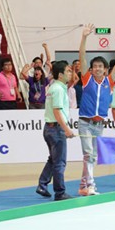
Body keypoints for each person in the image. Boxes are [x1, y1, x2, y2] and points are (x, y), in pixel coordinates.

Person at [77, 24, 115, 196]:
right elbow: (82, 57)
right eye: (95, 66)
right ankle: (90, 185)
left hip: (99, 125)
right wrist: (84, 37)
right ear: (91, 69)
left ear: (105, 69)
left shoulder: (109, 82)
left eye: (100, 66)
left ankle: (83, 186)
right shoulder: (86, 79)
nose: (97, 68)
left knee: (92, 156)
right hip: (85, 123)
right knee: (88, 154)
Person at [36, 61, 76, 201]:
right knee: (60, 162)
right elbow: (57, 111)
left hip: (50, 128)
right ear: (60, 75)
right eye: (68, 71)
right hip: (56, 129)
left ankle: (42, 184)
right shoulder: (58, 89)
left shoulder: (56, 87)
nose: (70, 73)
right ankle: (60, 192)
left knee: (53, 159)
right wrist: (66, 129)